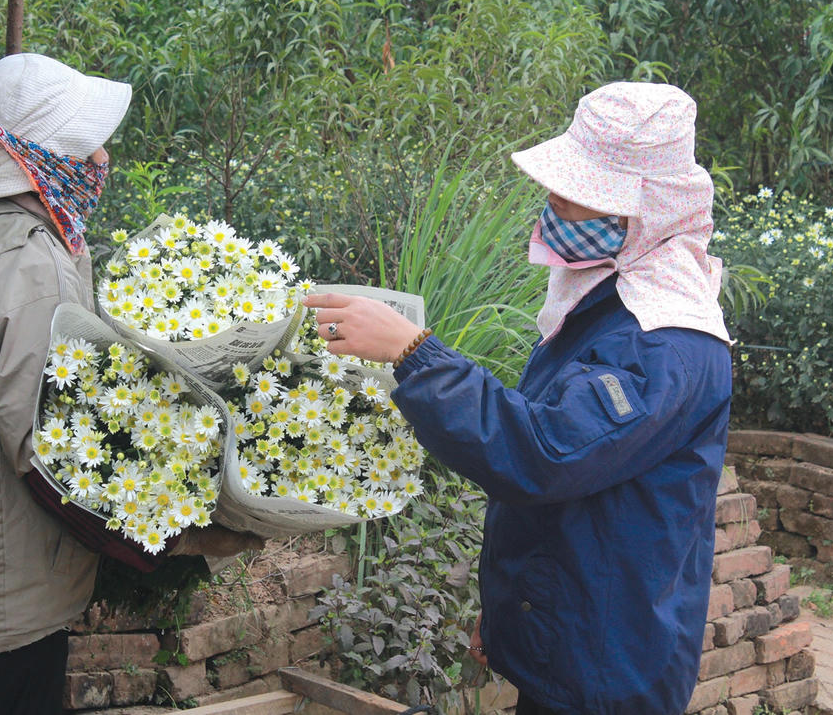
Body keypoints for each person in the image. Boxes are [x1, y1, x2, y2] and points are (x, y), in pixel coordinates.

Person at [304, 82, 732, 715]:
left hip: (608, 671)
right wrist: (514, 620)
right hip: (575, 637)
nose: (553, 201)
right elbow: (575, 493)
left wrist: (414, 353)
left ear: (643, 212)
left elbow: (543, 453)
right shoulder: (609, 303)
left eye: (576, 192)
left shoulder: (664, 343)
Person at [0, 53, 258, 715]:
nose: (102, 160)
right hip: (0, 588)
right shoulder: (33, 266)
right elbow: (52, 455)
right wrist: (174, 535)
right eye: (88, 147)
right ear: (45, 158)